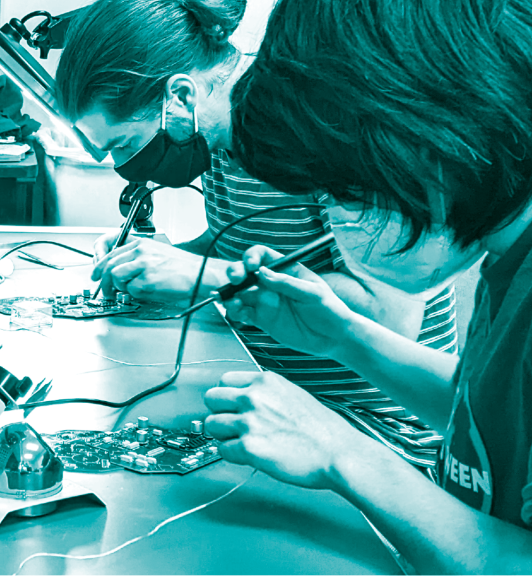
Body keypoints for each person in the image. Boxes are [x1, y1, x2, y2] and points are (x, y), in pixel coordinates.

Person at [54, 0, 457, 473]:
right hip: (279, 398)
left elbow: (390, 314)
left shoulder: (332, 126)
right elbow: (242, 243)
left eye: (123, 144)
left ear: (179, 98)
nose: (123, 165)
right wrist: (163, 257)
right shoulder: (218, 138)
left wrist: (203, 274)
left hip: (382, 429)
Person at [210, 0, 532, 571]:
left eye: (346, 187)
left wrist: (343, 454)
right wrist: (345, 338)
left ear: (425, 132)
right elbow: (493, 414)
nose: (336, 215)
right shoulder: (505, 247)